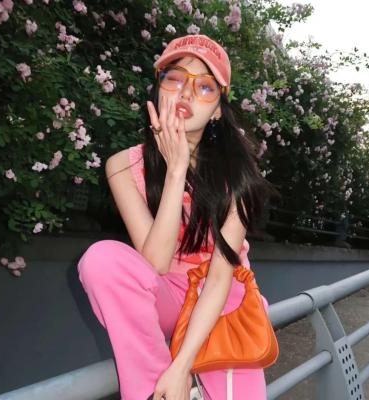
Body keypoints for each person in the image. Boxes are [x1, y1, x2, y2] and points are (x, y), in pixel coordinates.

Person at [77, 34, 279, 400]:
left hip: (221, 304)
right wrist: (176, 169)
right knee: (102, 260)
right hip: (166, 294)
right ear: (158, 89)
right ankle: (154, 391)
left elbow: (219, 279)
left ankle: (175, 379)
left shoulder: (238, 176)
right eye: (175, 78)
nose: (186, 92)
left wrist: (182, 365)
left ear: (217, 110)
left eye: (205, 87)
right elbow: (154, 262)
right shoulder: (123, 165)